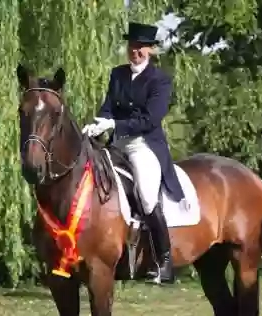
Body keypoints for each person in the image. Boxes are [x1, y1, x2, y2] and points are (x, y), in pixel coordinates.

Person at [82, 22, 187, 284]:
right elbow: (107, 107)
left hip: (144, 144)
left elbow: (151, 119)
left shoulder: (160, 80)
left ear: (151, 50)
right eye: (132, 46)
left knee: (147, 196)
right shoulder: (117, 74)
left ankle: (164, 262)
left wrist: (115, 124)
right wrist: (98, 124)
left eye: (141, 47)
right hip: (117, 144)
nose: (135, 51)